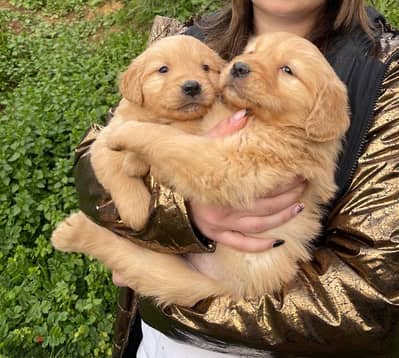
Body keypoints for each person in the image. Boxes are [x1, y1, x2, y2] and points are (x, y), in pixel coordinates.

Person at [74, 0, 399, 356]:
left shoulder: (385, 71)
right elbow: (99, 152)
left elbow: (372, 299)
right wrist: (180, 216)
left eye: (287, 71)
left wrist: (153, 276)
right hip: (156, 343)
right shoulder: (194, 38)